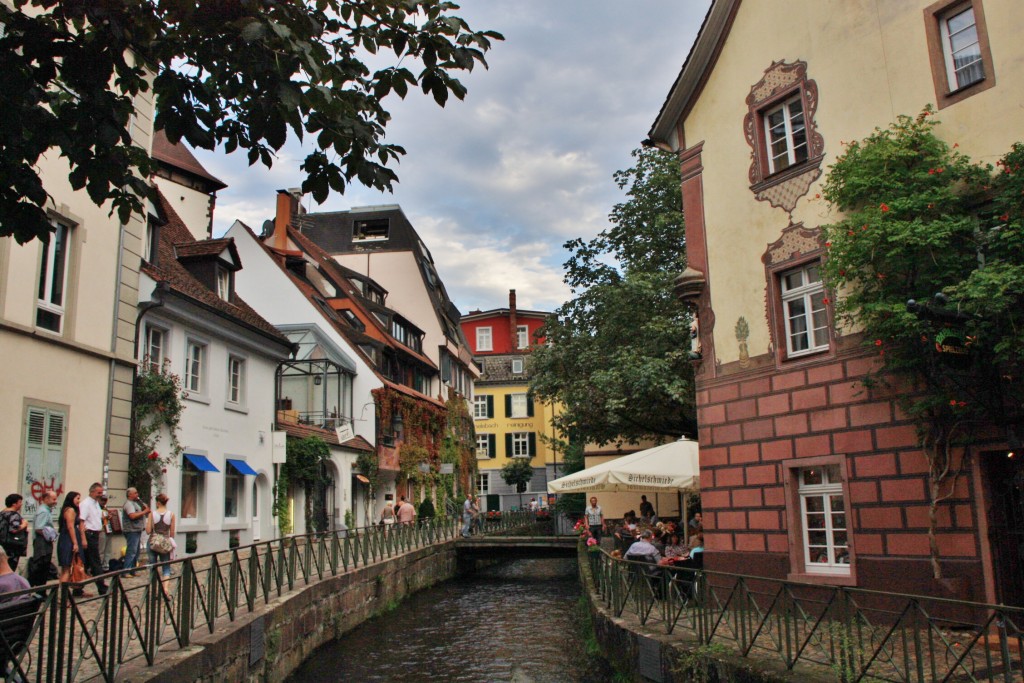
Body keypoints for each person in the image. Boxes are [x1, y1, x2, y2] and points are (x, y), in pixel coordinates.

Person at [79, 482, 108, 595]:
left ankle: (78, 588)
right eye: (98, 492)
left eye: (101, 492)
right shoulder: (86, 504)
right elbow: (82, 521)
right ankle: (102, 587)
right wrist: (83, 539)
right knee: (95, 562)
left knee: (86, 562)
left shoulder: (96, 503)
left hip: (95, 534)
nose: (100, 494)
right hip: (89, 534)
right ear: (92, 492)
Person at [56, 492, 85, 595]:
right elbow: (70, 527)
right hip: (68, 540)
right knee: (67, 569)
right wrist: (75, 543)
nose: (79, 501)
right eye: (77, 498)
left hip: (67, 538)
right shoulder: (70, 510)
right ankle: (62, 596)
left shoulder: (69, 509)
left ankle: (63, 595)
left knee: (66, 569)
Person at [146, 493, 175, 594]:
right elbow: (172, 533)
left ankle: (153, 587)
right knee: (166, 566)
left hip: (153, 541)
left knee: (152, 565)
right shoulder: (171, 514)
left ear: (158, 503)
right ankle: (165, 587)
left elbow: (148, 530)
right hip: (165, 542)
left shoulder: (152, 514)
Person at [121, 487, 149, 574]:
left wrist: (144, 507)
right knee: (131, 551)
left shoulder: (135, 503)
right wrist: (144, 512)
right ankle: (126, 571)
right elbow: (132, 516)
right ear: (130, 494)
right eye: (135, 493)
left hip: (137, 530)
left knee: (136, 551)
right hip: (131, 530)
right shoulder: (129, 504)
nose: (137, 494)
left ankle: (133, 570)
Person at [0, 494, 30, 572]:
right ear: (14, 504)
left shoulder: (2, 513)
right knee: (10, 569)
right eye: (20, 502)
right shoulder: (14, 515)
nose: (21, 504)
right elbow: (13, 529)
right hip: (12, 547)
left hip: (2, 545)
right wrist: (24, 525)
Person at [32, 490, 58, 562]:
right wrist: (50, 537)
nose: (56, 501)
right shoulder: (43, 511)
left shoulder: (46, 510)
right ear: (46, 499)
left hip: (44, 541)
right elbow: (39, 528)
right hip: (42, 541)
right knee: (42, 563)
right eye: (54, 499)